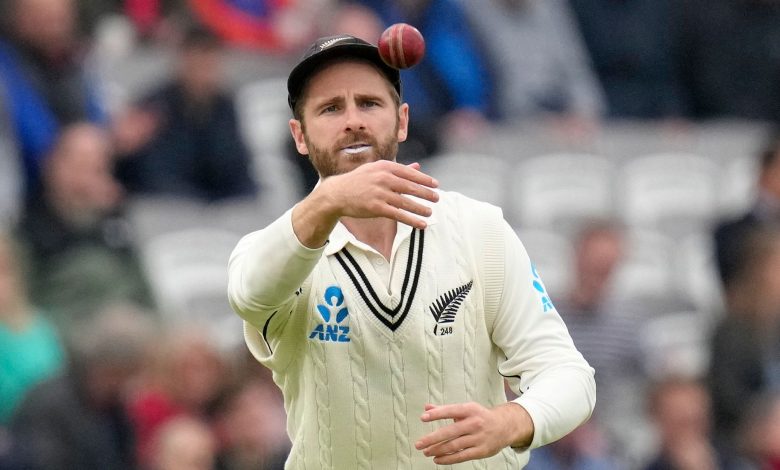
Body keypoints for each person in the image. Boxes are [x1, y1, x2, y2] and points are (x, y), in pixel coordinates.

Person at [227, 35, 596, 468]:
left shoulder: (479, 230)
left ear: (402, 121)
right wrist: (330, 200)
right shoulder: (273, 251)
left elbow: (569, 375)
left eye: (369, 103)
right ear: (300, 136)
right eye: (331, 108)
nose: (353, 121)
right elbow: (250, 292)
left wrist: (513, 420)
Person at [14, 122, 154, 329]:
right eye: (78, 166)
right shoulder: (29, 228)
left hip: (133, 323)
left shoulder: (115, 223)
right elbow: (23, 309)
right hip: (73, 328)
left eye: (96, 169)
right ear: (51, 165)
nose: (85, 179)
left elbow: (143, 288)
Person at [113, 25, 258, 203]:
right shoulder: (155, 108)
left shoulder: (225, 108)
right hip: (167, 204)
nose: (204, 74)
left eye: (210, 65)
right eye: (199, 65)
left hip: (219, 207)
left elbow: (235, 167)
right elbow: (153, 172)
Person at [7, 304, 157, 470]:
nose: (135, 385)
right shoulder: (47, 405)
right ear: (112, 368)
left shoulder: (114, 409)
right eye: (131, 373)